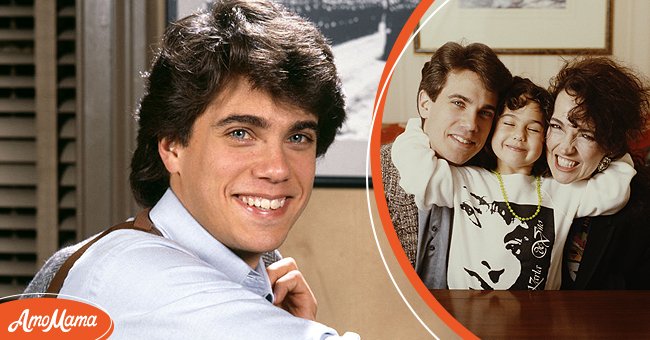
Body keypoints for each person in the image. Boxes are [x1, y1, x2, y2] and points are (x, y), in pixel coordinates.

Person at [24, 1, 359, 338]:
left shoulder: (251, 274)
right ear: (172, 146)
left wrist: (278, 322)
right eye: (240, 133)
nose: (277, 169)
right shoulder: (143, 278)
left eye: (298, 136)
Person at [391, 76, 635, 290]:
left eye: (534, 128)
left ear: (547, 137)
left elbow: (615, 191)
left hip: (538, 316)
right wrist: (418, 123)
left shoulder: (562, 191)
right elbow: (417, 171)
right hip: (464, 310)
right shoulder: (465, 180)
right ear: (492, 129)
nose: (520, 135)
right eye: (509, 123)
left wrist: (612, 144)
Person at [380, 41, 512, 289]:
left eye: (485, 112)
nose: (472, 125)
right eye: (459, 103)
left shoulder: (497, 177)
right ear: (425, 104)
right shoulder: (377, 172)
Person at [549, 57, 650, 290]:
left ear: (612, 145)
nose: (565, 148)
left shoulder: (640, 209)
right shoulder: (524, 176)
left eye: (586, 135)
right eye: (556, 126)